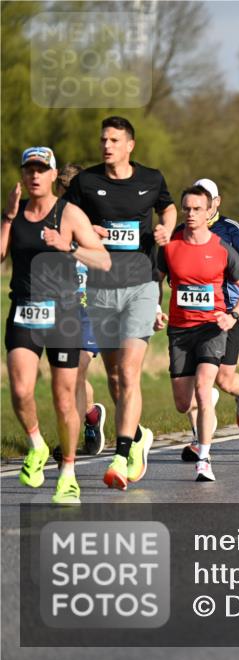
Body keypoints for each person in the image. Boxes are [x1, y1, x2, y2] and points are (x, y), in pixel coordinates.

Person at [62, 116, 176, 491]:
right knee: (113, 377)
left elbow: (169, 207)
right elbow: (62, 218)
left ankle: (121, 455)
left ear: (130, 144)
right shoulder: (85, 182)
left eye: (114, 139)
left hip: (140, 285)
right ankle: (139, 435)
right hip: (99, 288)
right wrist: (84, 230)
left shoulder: (151, 179)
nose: (106, 145)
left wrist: (167, 228)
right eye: (102, 140)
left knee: (129, 372)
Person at [3, 147, 111, 503]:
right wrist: (6, 218)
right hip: (24, 308)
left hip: (63, 313)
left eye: (42, 169)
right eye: (29, 169)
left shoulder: (69, 213)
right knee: (20, 390)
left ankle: (67, 471)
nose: (35, 175)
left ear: (53, 175)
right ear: (23, 174)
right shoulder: (14, 214)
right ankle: (35, 445)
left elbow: (103, 260)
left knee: (65, 400)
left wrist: (68, 248)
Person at [156, 185, 239, 481]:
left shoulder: (221, 248)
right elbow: (154, 280)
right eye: (186, 208)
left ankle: (204, 459)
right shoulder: (171, 246)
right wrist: (154, 309)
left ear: (209, 210)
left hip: (212, 328)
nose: (190, 214)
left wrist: (233, 315)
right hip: (179, 330)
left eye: (197, 209)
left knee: (203, 387)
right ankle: (206, 403)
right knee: (183, 404)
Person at [56, 162, 107, 456]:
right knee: (70, 377)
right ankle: (91, 417)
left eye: (69, 196)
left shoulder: (96, 226)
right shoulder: (51, 223)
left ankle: (67, 447)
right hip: (62, 313)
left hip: (91, 312)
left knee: (75, 372)